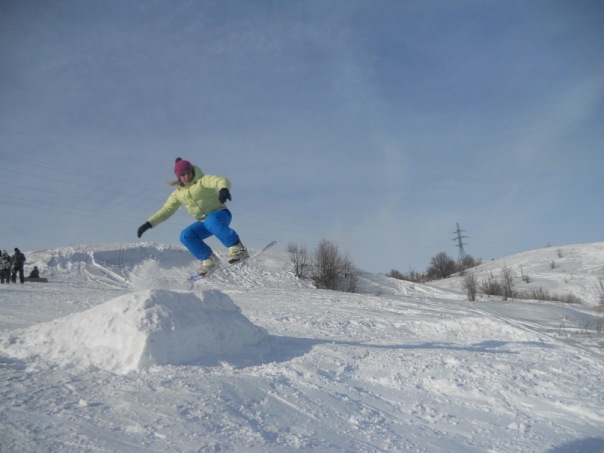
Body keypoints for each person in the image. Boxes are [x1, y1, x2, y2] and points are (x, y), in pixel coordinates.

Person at [137, 158, 248, 276]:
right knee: (186, 235)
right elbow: (166, 210)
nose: (186, 176)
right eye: (182, 174)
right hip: (204, 222)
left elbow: (220, 180)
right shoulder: (178, 194)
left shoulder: (202, 181)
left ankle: (237, 247)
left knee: (211, 220)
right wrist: (149, 223)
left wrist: (224, 189)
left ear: (192, 171)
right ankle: (209, 260)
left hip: (220, 214)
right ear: (178, 177)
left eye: (188, 172)